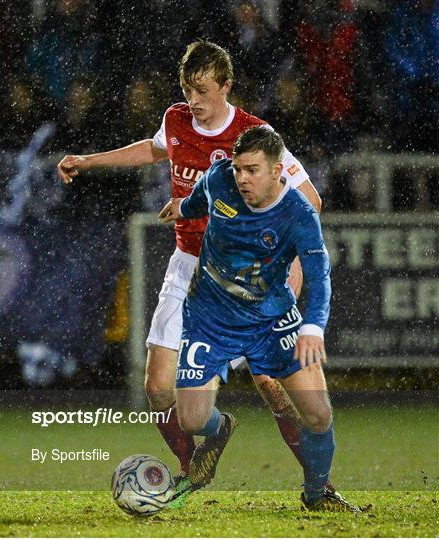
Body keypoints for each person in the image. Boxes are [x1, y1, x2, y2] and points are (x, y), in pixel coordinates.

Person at [57, 40, 328, 495]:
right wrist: (90, 161)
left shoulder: (255, 136)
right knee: (159, 387)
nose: (194, 101)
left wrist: (290, 272)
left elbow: (311, 203)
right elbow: (153, 149)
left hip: (246, 277)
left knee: (274, 387)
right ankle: (190, 467)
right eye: (187, 90)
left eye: (203, 91)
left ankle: (320, 487)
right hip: (188, 265)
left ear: (226, 86)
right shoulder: (176, 118)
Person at [160, 126, 360, 512]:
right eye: (238, 169)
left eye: (252, 170)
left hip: (271, 321)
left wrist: (313, 326)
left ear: (276, 170)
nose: (242, 178)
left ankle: (317, 495)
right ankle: (221, 430)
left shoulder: (299, 215)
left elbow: (320, 279)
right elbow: (199, 200)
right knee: (192, 419)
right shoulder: (220, 179)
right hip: (210, 316)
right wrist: (181, 207)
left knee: (317, 414)